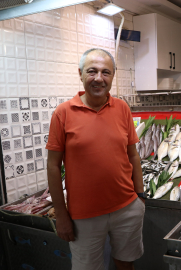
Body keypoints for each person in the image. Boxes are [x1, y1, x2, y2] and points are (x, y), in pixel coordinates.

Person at [46, 48, 145, 270]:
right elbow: (53, 166)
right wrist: (61, 215)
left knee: (125, 263)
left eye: (105, 72)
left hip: (127, 207)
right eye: (92, 71)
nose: (99, 78)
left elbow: (133, 155)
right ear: (80, 73)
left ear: (112, 77)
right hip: (84, 215)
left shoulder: (122, 108)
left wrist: (140, 196)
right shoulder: (63, 113)